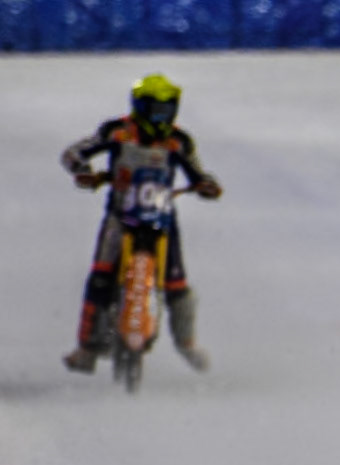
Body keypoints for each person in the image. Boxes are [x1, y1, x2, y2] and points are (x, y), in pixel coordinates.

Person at [60, 73, 222, 374]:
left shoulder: (179, 141)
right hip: (120, 216)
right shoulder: (117, 132)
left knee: (177, 284)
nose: (160, 117)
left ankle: (187, 344)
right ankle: (86, 349)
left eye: (166, 110)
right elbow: (73, 152)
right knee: (100, 277)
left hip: (162, 218)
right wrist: (81, 169)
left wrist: (207, 185)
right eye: (154, 110)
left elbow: (199, 174)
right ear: (139, 106)